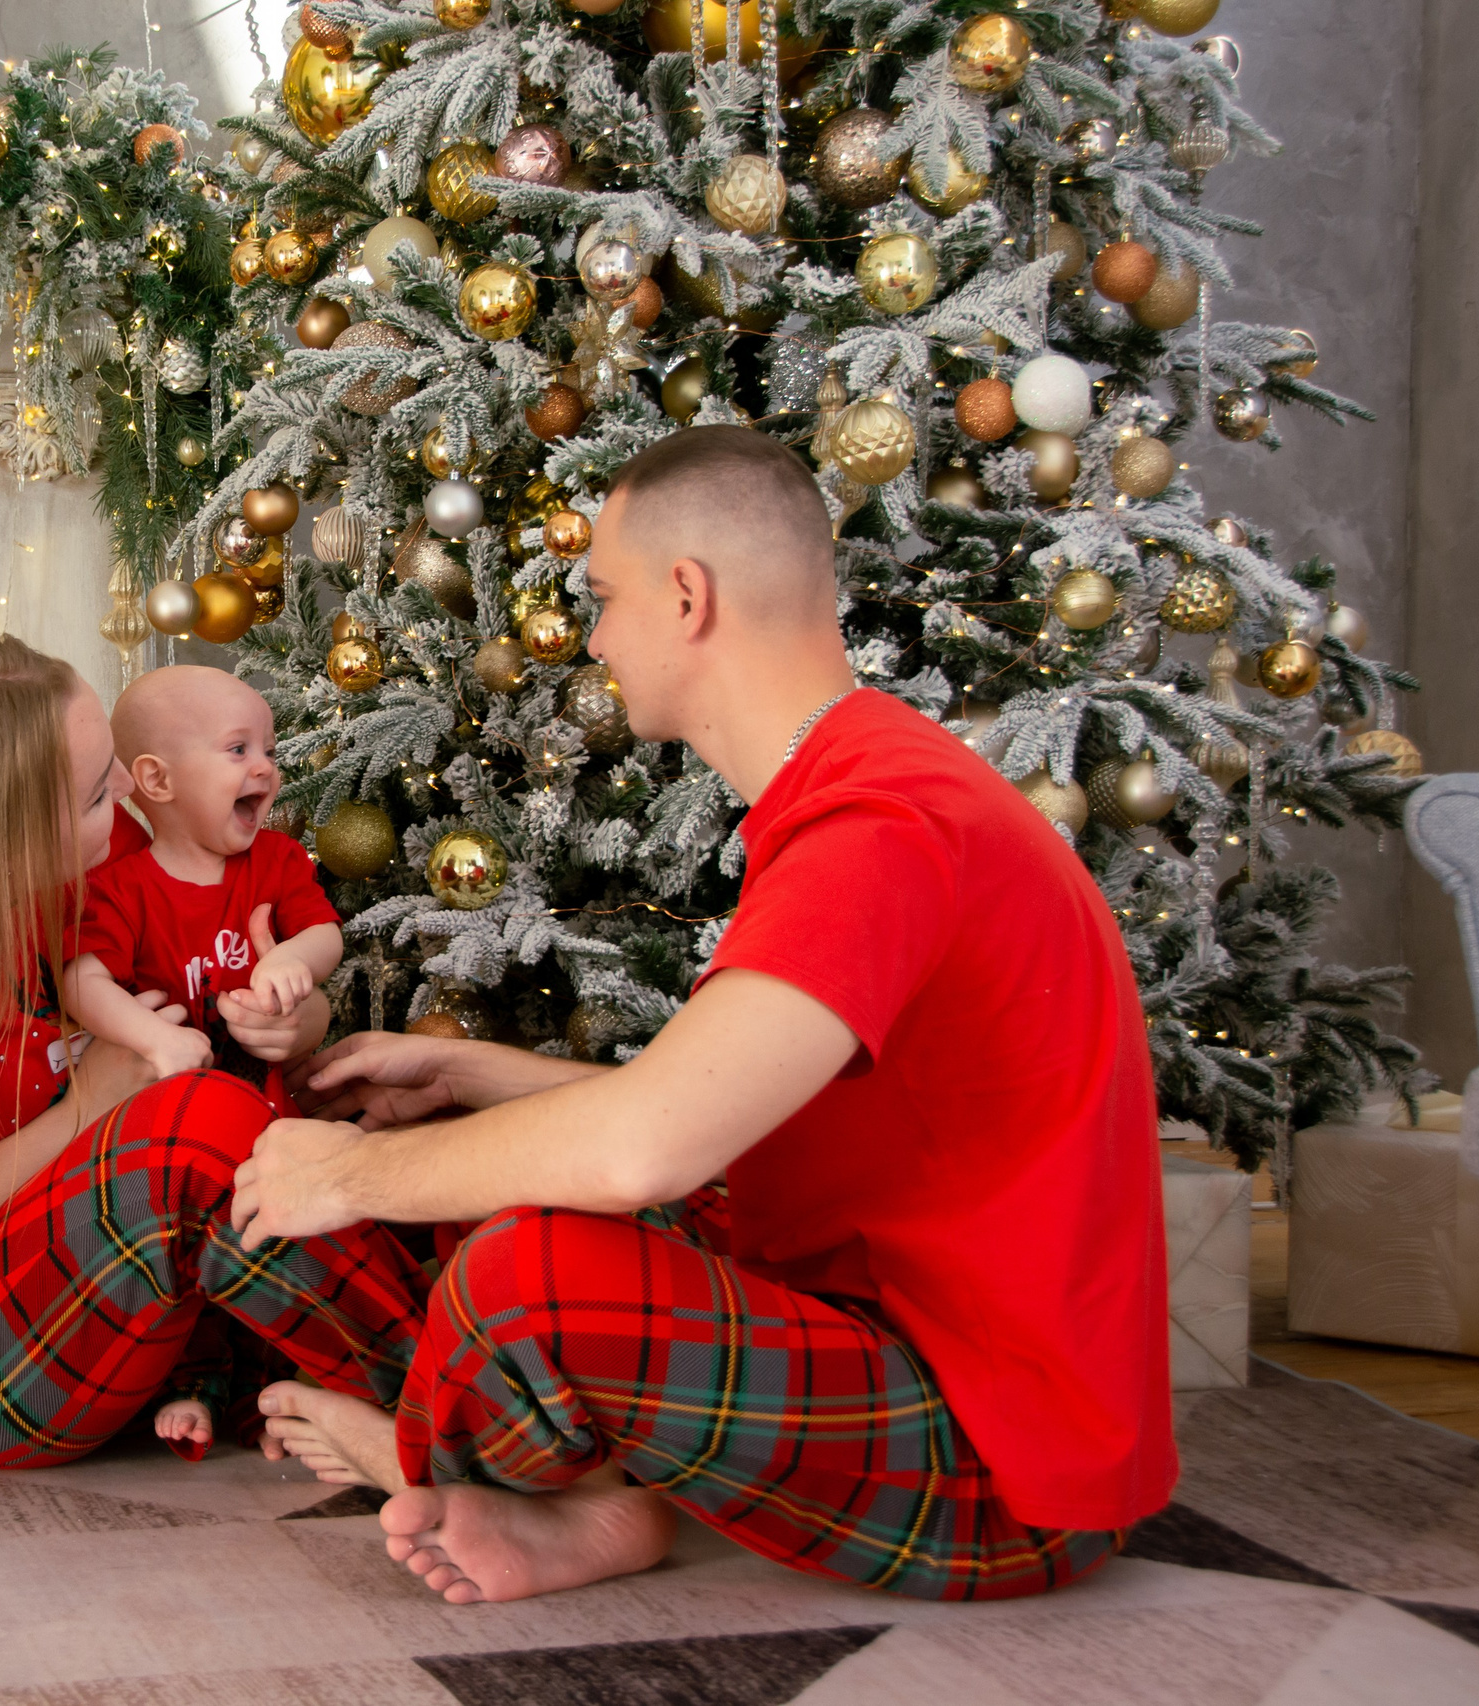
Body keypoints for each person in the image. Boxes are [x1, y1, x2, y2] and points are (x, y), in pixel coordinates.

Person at [234, 425, 1178, 1605]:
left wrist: (346, 1176)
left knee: (527, 1272)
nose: (592, 638)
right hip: (918, 1344)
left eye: (604, 597)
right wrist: (472, 1074)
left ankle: (439, 1459)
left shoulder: (880, 824)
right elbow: (724, 1112)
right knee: (514, 1177)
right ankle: (597, 1505)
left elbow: (650, 1146)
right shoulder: (869, 781)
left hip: (1003, 1466)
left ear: (687, 596)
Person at [0, 637, 426, 1472]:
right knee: (197, 1127)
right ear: (10, 839)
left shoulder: (109, 856)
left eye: (109, 762)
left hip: (123, 1289)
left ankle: (460, 1355)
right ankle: (444, 1419)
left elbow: (225, 987)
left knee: (360, 1096)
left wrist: (299, 1020)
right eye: (95, 793)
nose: (125, 790)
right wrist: (85, 1108)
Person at [62, 664, 348, 1455]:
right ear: (156, 780)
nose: (265, 768)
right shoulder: (122, 888)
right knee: (190, 1264)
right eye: (237, 749)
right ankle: (193, 1384)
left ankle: (282, 1392)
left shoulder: (275, 863)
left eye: (268, 749)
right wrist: (153, 1039)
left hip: (269, 1123)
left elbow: (325, 933)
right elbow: (83, 980)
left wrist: (292, 963)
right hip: (173, 1140)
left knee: (282, 1249)